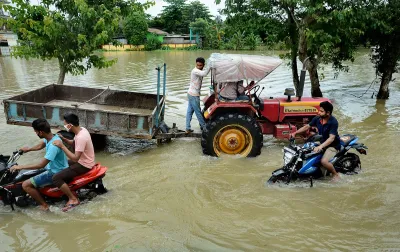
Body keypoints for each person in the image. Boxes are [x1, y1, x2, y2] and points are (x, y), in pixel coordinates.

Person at [10, 119, 68, 211]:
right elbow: (40, 145)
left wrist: (20, 166)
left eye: (36, 131)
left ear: (40, 132)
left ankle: (44, 205)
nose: (36, 133)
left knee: (26, 185)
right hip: (57, 167)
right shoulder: (53, 137)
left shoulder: (53, 146)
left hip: (54, 172)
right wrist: (28, 149)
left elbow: (41, 165)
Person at [52, 113, 95, 211]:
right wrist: (63, 139)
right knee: (61, 164)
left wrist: (62, 146)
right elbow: (74, 143)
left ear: (70, 125)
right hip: (85, 160)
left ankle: (73, 199)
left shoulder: (81, 137)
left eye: (65, 124)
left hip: (84, 164)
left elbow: (75, 158)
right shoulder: (82, 130)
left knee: (56, 178)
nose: (64, 126)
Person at [290, 101, 341, 180]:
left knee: (324, 161)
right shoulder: (318, 119)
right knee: (304, 149)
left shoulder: (333, 122)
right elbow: (307, 127)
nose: (318, 112)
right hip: (322, 142)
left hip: (333, 145)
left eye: (321, 111)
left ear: (328, 113)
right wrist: (295, 133)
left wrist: (320, 146)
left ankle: (335, 174)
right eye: (319, 110)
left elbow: (331, 138)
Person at [186, 57, 210, 134]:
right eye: (197, 65)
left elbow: (204, 72)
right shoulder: (195, 71)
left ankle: (187, 128)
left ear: (203, 65)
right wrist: (210, 66)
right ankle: (205, 127)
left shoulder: (199, 70)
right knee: (198, 112)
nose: (199, 67)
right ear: (196, 64)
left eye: (200, 65)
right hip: (193, 95)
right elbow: (205, 73)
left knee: (189, 111)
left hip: (191, 93)